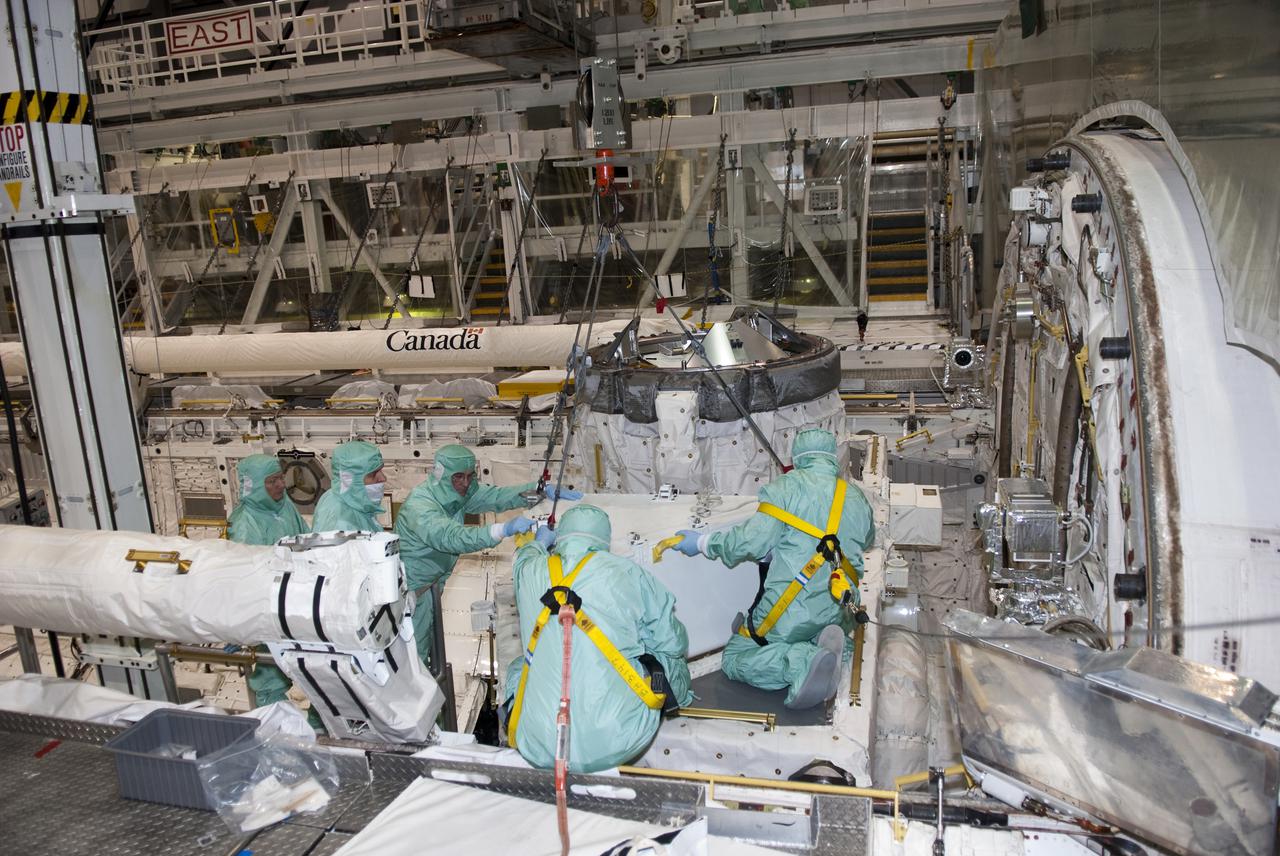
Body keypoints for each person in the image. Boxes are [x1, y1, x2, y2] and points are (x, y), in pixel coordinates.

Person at [670, 428, 874, 709]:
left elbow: (749, 542)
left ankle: (801, 662)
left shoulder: (785, 489)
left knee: (737, 656)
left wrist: (704, 542)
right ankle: (832, 648)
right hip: (840, 604)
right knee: (818, 625)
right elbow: (867, 538)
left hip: (793, 608)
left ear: (798, 457)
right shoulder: (855, 495)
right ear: (831, 457)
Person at [503, 503, 692, 773]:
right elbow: (673, 642)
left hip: (537, 744)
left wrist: (537, 542)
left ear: (561, 537)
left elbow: (523, 557)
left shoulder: (529, 570)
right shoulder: (628, 572)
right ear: (604, 539)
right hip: (617, 740)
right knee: (664, 657)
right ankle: (681, 701)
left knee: (519, 667)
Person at [395, 444, 581, 664]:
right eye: (458, 477)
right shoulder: (421, 506)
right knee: (411, 660)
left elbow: (495, 497)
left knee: (425, 653)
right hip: (413, 596)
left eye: (469, 476)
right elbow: (452, 537)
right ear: (441, 475)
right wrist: (503, 529)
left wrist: (538, 491)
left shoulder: (456, 494)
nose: (465, 484)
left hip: (431, 588)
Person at [226, 454, 319, 727]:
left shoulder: (284, 506)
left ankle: (312, 729)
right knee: (270, 676)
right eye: (272, 481)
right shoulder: (244, 524)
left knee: (310, 671)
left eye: (280, 478)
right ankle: (274, 729)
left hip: (295, 602)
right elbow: (246, 577)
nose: (281, 485)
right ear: (253, 486)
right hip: (269, 611)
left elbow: (304, 539)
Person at [312, 440, 388, 532]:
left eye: (380, 470)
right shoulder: (342, 526)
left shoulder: (342, 497)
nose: (383, 478)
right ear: (348, 480)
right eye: (373, 474)